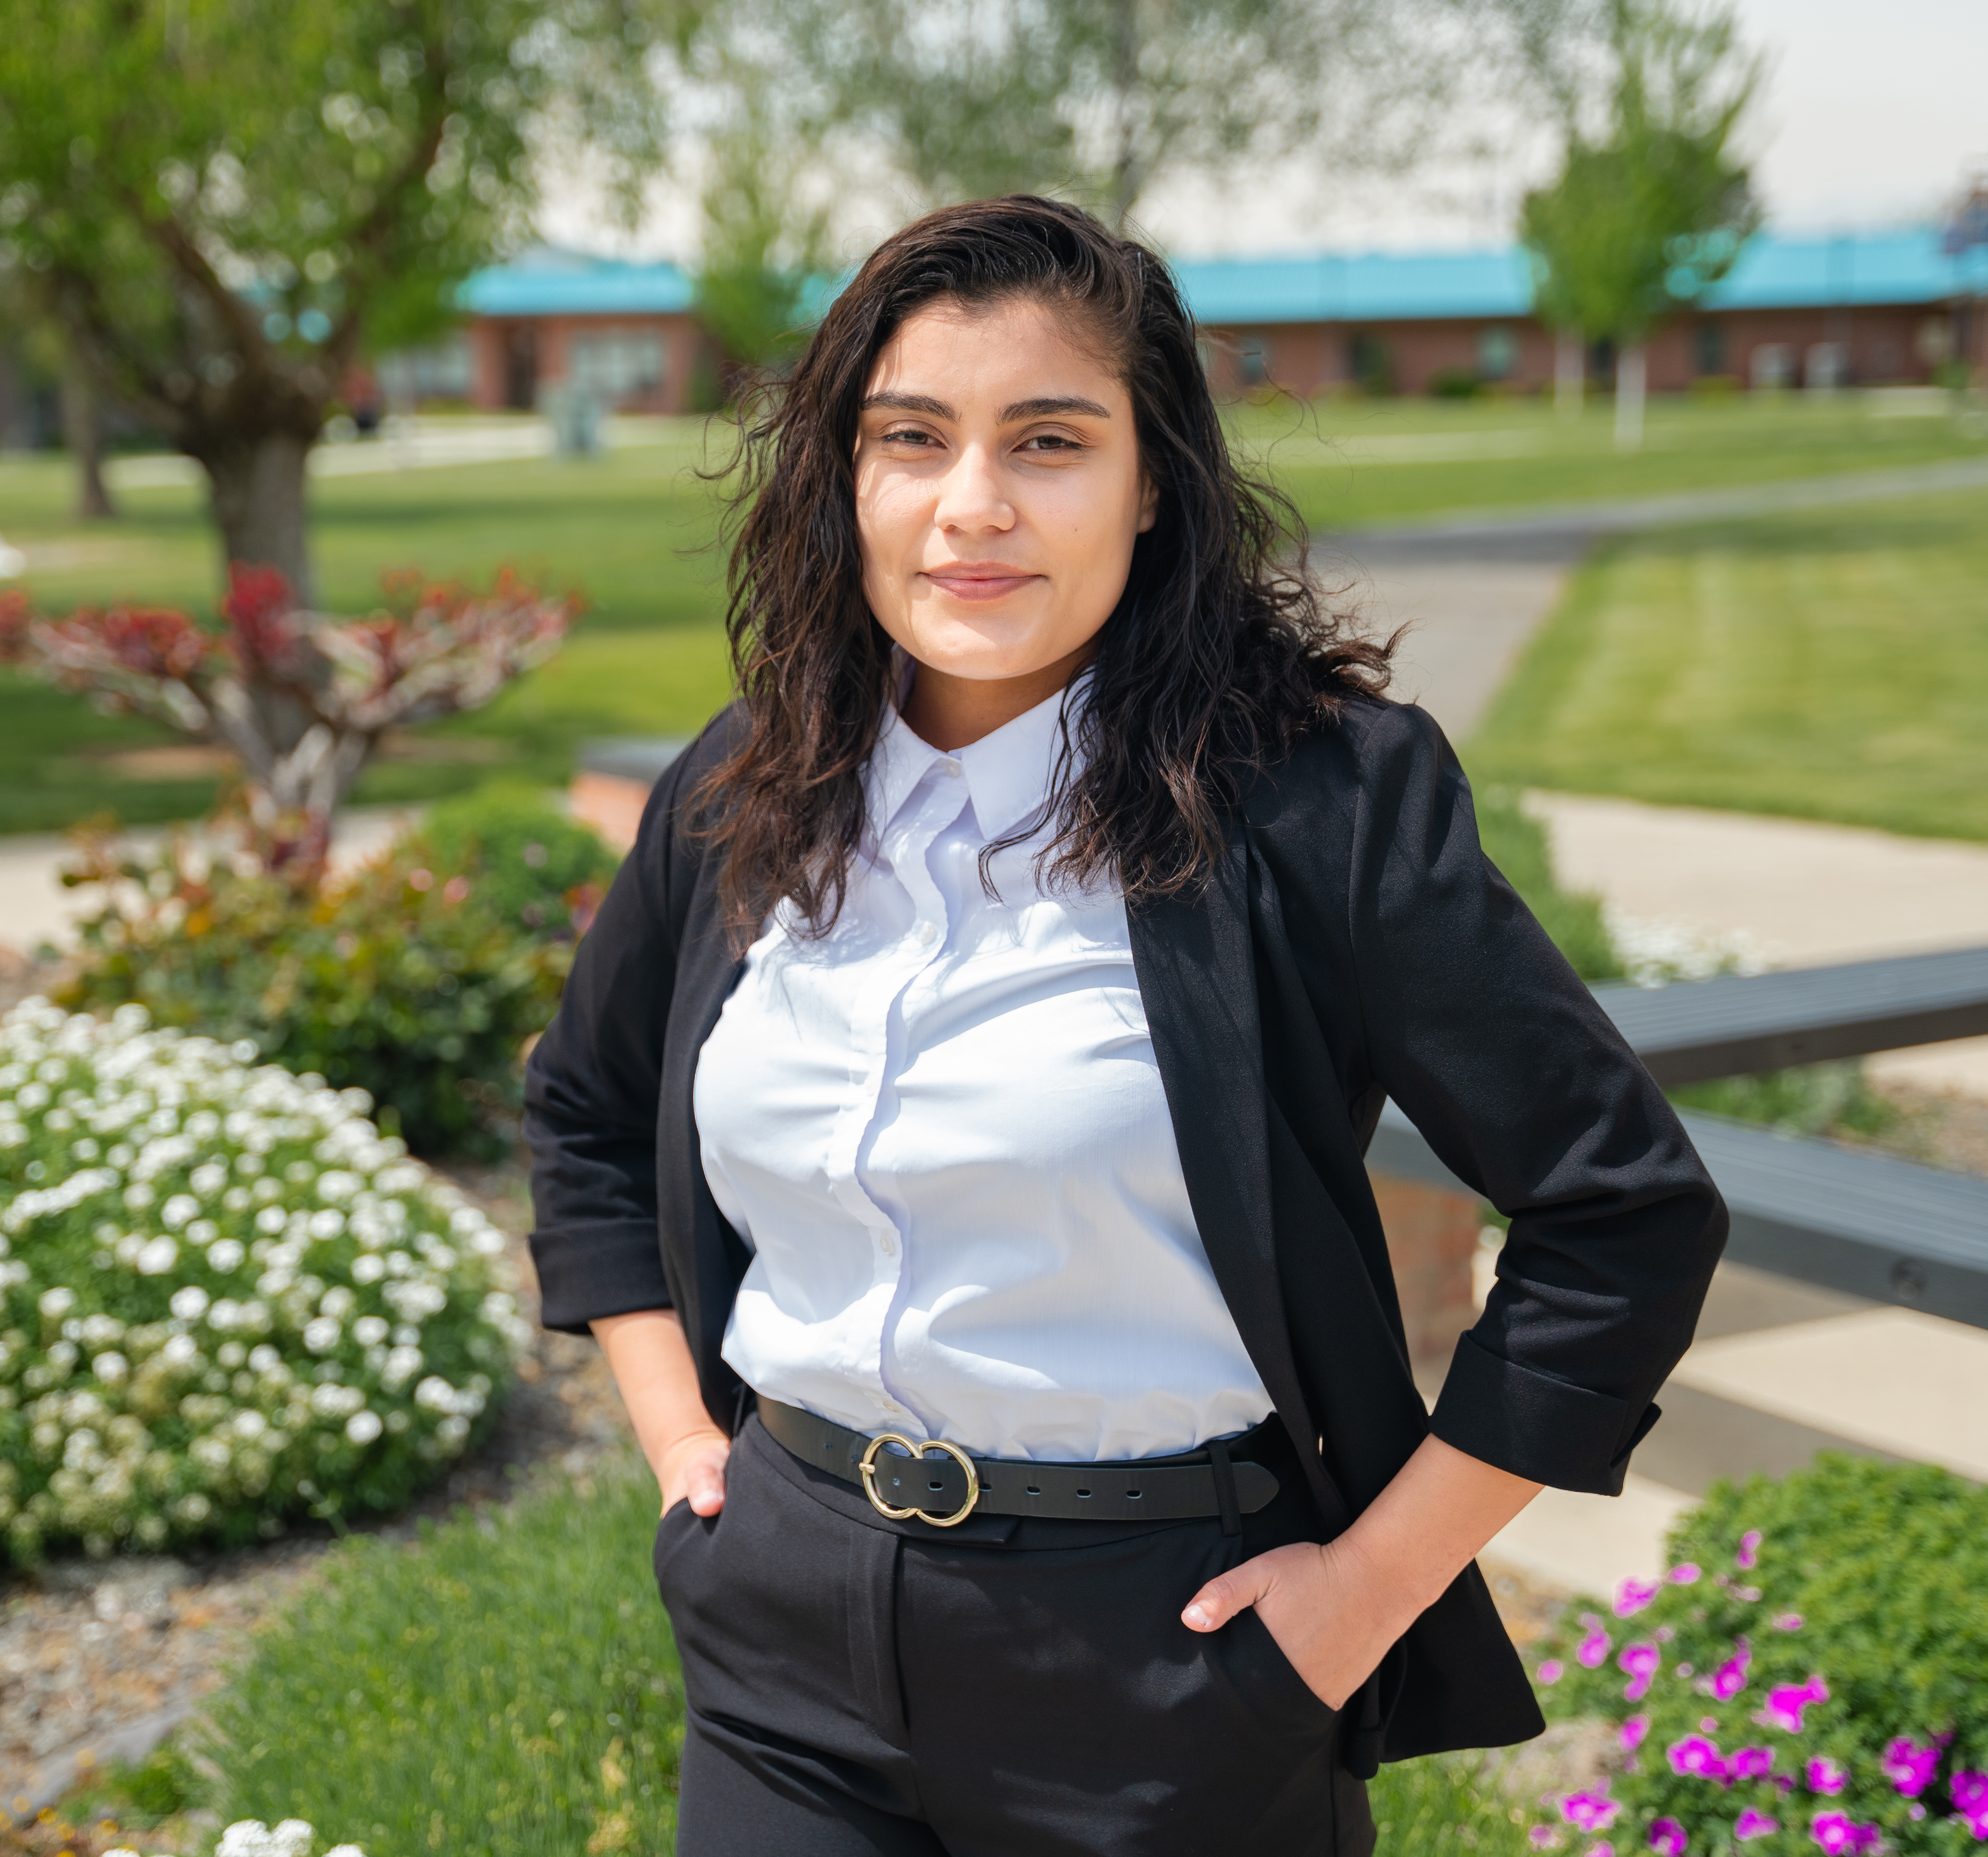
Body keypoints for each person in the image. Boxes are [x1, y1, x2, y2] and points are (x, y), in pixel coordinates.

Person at [524, 195, 1727, 1857]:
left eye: (1049, 442)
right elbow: (585, 1115)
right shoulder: (747, 787)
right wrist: (679, 1445)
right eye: (912, 439)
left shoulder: (1320, 803)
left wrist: (1364, 1596)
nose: (973, 509)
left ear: (1154, 482)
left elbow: (1626, 1217)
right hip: (781, 1644)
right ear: (843, 477)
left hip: (1170, 1667)